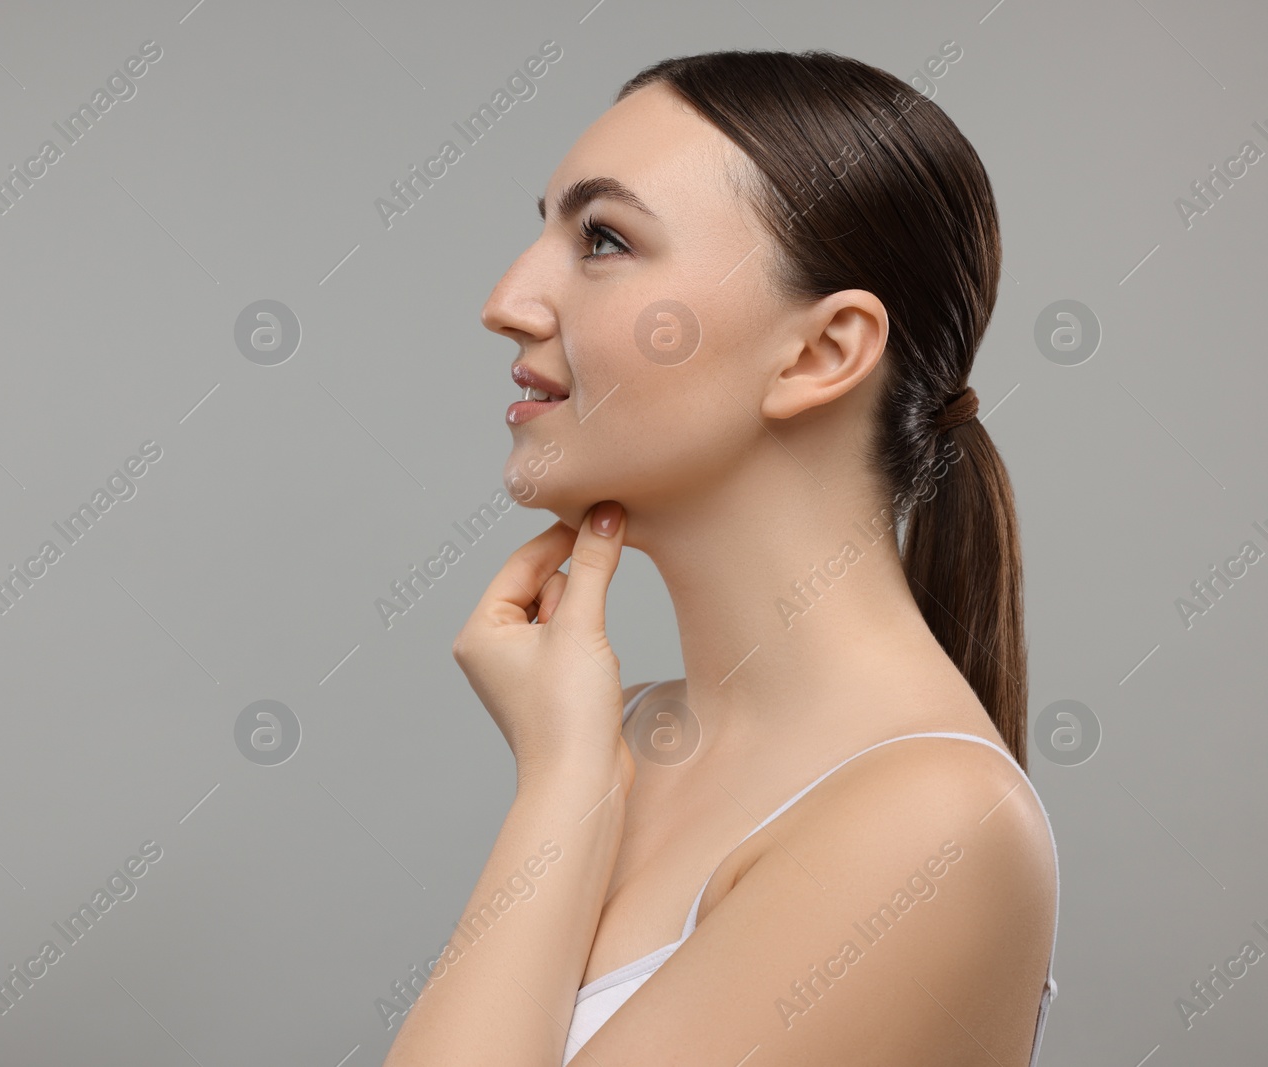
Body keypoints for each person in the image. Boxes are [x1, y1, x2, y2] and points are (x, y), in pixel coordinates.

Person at [381, 49, 1058, 1067]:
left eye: (603, 238)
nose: (509, 299)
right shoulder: (631, 732)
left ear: (820, 352)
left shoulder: (934, 826)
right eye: (546, 231)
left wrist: (563, 786)